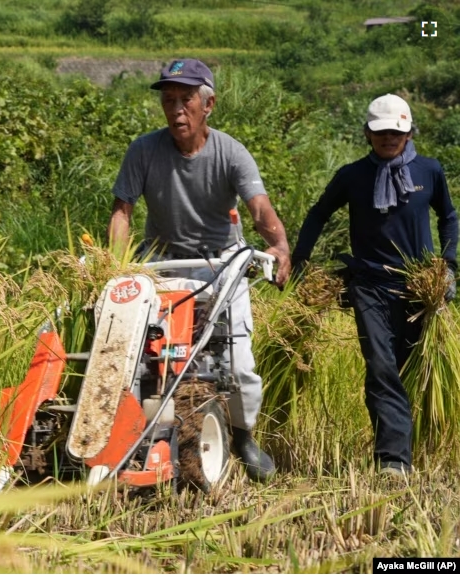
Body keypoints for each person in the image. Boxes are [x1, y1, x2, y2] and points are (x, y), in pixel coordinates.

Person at [108, 58, 291, 483]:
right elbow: (122, 211)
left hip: (222, 263)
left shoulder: (230, 152)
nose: (176, 110)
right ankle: (131, 435)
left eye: (185, 100)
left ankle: (243, 436)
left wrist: (279, 246)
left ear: (208, 105)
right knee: (138, 356)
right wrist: (114, 266)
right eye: (168, 100)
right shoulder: (144, 150)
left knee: (238, 362)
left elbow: (259, 208)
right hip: (162, 263)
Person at [291, 93, 458, 477]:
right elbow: (318, 214)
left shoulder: (429, 172)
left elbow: (448, 217)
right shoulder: (352, 176)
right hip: (368, 284)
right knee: (381, 367)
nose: (388, 138)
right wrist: (300, 261)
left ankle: (407, 442)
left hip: (419, 290)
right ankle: (393, 461)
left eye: (395, 132)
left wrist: (448, 266)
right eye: (380, 131)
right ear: (367, 133)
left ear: (410, 132)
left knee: (403, 369)